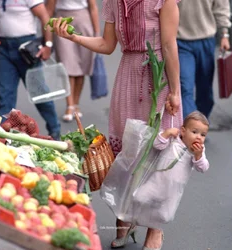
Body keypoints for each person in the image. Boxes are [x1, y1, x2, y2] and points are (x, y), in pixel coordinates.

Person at [51, 0, 182, 249]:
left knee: (157, 151)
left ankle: (155, 229)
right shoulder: (113, 2)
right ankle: (124, 215)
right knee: (126, 152)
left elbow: (168, 44)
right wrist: (73, 37)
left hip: (158, 77)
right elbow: (107, 45)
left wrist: (174, 91)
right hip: (128, 75)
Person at [0, 0, 61, 140]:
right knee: (5, 97)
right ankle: (1, 139)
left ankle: (55, 131)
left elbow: (44, 17)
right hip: (5, 50)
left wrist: (48, 45)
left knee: (40, 94)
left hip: (26, 49)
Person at [177, 0, 232, 127]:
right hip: (180, 42)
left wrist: (225, 35)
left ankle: (199, 126)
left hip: (206, 41)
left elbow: (221, 7)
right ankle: (192, 130)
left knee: (205, 93)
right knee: (185, 89)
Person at [45, 0, 100, 122]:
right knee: (67, 65)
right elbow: (48, 10)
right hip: (62, 22)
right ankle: (69, 105)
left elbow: (93, 7)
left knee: (81, 66)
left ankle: (76, 104)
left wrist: (97, 33)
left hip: (83, 20)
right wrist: (47, 40)